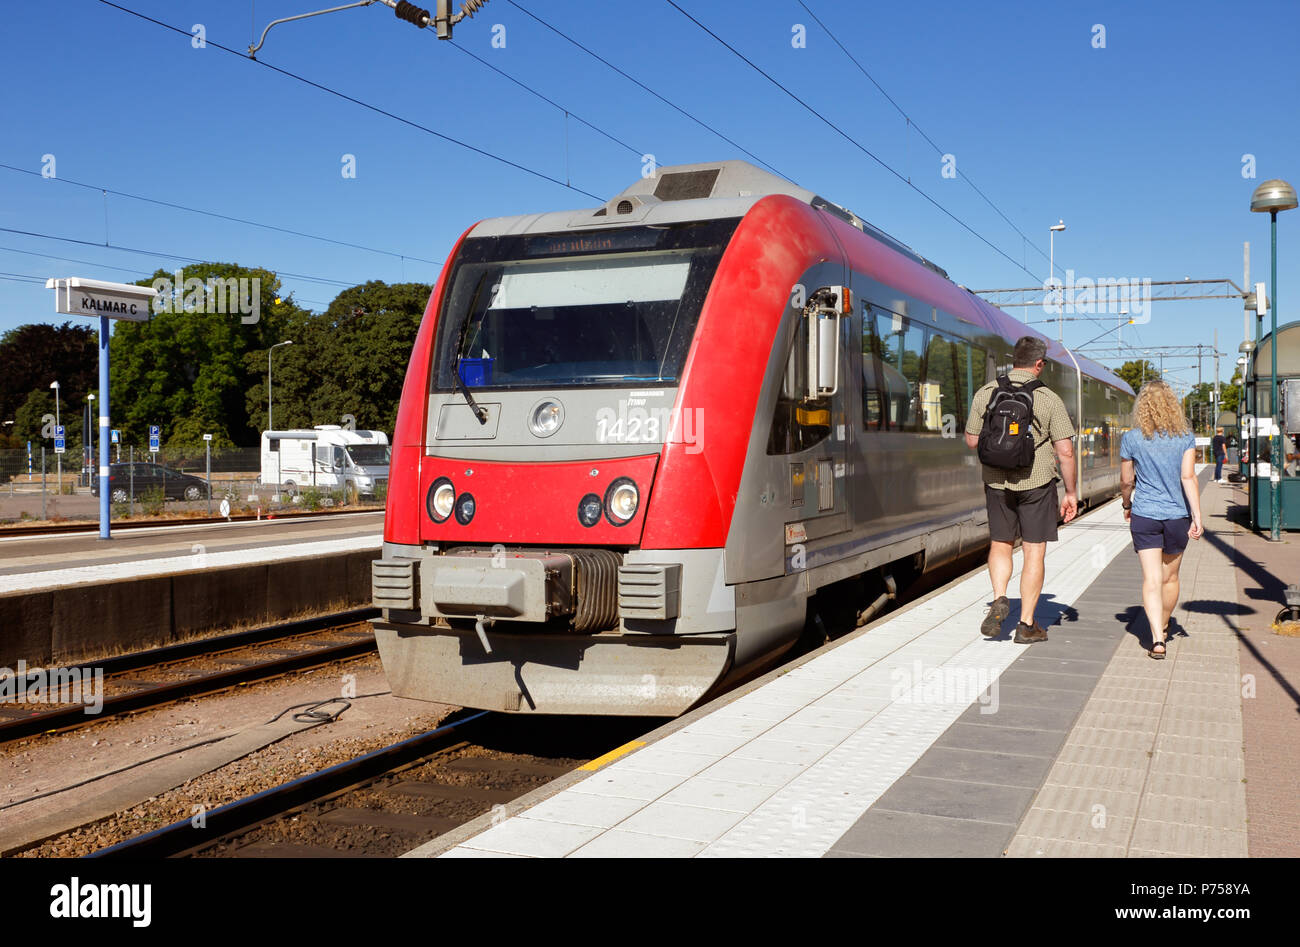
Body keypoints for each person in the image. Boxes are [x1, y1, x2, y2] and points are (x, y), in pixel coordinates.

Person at [965, 336, 1078, 643]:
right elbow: (1065, 452)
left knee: (1001, 544)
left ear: (1014, 359)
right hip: (1036, 483)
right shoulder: (1049, 398)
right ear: (1039, 363)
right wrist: (1070, 492)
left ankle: (1000, 597)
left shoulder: (987, 392)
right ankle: (1026, 625)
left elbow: (972, 441)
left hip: (996, 483)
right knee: (1033, 551)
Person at [1119, 380, 1203, 659]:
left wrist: (1127, 504)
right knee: (1170, 577)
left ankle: (1156, 639)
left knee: (1151, 578)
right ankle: (1164, 625)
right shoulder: (1185, 437)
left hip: (1144, 515)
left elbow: (1126, 480)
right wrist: (1197, 516)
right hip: (1178, 516)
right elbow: (1188, 477)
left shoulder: (1131, 438)